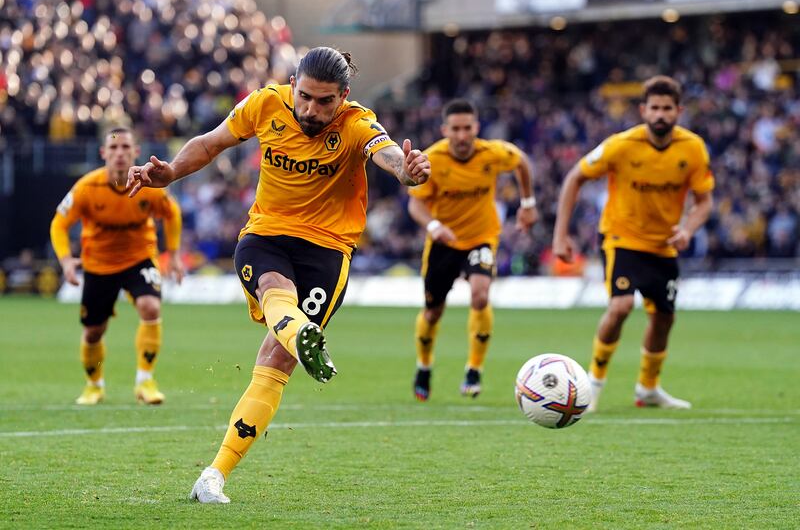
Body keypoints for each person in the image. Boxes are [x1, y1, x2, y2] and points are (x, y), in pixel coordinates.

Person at [126, 47, 431, 504]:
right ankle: (301, 332)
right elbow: (210, 143)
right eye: (304, 97)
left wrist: (407, 172)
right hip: (264, 236)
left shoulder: (355, 122)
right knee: (274, 290)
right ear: (292, 85)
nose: (311, 109)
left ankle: (213, 474)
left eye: (324, 102)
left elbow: (386, 154)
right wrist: (171, 172)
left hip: (327, 252)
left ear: (343, 97)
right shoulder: (264, 104)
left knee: (278, 357)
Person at [552, 76, 714, 411]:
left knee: (664, 318)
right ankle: (592, 384)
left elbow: (704, 201)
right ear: (643, 110)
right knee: (621, 306)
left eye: (667, 108)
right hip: (621, 237)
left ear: (679, 111)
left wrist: (688, 229)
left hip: (664, 245)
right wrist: (560, 235)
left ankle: (648, 389)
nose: (660, 115)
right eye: (654, 107)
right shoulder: (621, 144)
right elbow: (574, 177)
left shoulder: (693, 148)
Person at [407, 99, 538, 401]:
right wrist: (434, 226)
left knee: (480, 295)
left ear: (476, 128)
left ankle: (474, 369)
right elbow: (416, 203)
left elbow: (521, 162)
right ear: (445, 130)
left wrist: (528, 204)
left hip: (482, 238)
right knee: (432, 311)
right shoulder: (433, 159)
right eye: (456, 129)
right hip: (444, 242)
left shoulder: (492, 153)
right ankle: (424, 366)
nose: (462, 135)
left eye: (468, 128)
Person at [50, 127, 184, 406]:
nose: (120, 153)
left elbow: (172, 213)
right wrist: (65, 261)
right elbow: (59, 224)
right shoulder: (87, 188)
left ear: (136, 152)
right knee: (93, 331)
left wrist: (172, 253)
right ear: (103, 154)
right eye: (113, 148)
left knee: (151, 307)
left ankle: (145, 381)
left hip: (139, 258)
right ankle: (94, 386)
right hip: (99, 264)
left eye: (125, 147)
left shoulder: (149, 186)